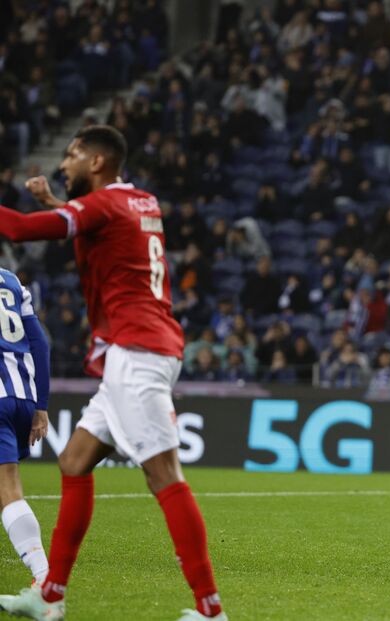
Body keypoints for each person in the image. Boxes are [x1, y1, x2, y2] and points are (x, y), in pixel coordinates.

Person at [0, 126, 225, 621]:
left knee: (164, 476)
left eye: (72, 155)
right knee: (76, 460)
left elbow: (17, 229)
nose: (63, 164)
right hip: (143, 346)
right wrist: (57, 201)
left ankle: (211, 611)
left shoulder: (103, 206)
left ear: (97, 162)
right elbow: (99, 229)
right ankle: (50, 596)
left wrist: (50, 207)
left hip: (137, 352)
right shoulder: (141, 201)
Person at [0, 268, 51, 591]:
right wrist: (41, 404)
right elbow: (40, 343)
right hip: (22, 395)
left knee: (8, 489)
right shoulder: (11, 281)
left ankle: (45, 579)